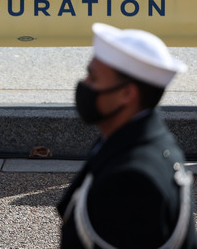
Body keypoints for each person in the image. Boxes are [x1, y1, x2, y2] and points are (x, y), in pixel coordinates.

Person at [56, 22, 196, 248]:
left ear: (126, 94)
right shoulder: (145, 141)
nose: (84, 85)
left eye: (93, 78)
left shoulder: (131, 180)